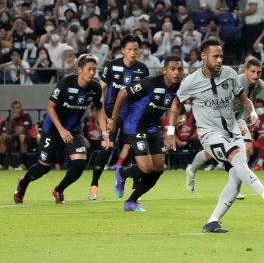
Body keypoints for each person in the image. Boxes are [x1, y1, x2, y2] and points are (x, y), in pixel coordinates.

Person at [165, 40, 264, 233]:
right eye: (215, 56)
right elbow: (176, 104)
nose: (219, 60)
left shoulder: (230, 74)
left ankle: (212, 221)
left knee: (236, 178)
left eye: (221, 57)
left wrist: (251, 113)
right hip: (210, 134)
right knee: (238, 161)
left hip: (233, 129)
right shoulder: (191, 82)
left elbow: (244, 98)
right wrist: (170, 132)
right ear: (203, 57)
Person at [13, 54, 108, 204]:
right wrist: (61, 130)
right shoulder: (66, 83)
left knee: (79, 164)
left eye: (94, 70)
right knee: (44, 167)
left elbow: (100, 108)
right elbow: (50, 107)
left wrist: (104, 132)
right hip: (52, 127)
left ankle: (59, 190)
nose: (92, 73)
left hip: (73, 129)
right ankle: (23, 184)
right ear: (80, 70)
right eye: (89, 69)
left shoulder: (95, 88)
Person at [108, 55, 183, 212]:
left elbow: (175, 109)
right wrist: (114, 120)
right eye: (173, 69)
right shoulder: (150, 83)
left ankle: (131, 202)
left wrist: (170, 133)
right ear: (164, 71)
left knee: (158, 169)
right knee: (146, 168)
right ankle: (122, 172)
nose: (176, 73)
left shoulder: (178, 87)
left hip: (153, 127)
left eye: (179, 69)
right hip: (135, 126)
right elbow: (122, 93)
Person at [185, 57, 264, 195]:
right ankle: (191, 169)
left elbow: (250, 99)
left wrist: (250, 116)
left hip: (237, 118)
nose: (256, 76)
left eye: (259, 72)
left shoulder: (260, 85)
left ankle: (235, 184)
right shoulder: (234, 82)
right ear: (245, 71)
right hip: (218, 118)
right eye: (253, 72)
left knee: (247, 149)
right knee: (211, 153)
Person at [89, 35, 149, 201]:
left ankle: (135, 187)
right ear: (123, 50)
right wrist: (102, 112)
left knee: (134, 150)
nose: (132, 52)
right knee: (106, 148)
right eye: (129, 49)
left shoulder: (142, 69)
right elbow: (101, 88)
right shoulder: (112, 66)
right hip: (111, 114)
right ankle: (94, 186)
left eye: (135, 49)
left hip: (132, 116)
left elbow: (144, 93)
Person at [0, 101, 35, 170]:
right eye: (14, 108)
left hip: (28, 140)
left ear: (21, 109)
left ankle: (23, 165)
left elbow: (24, 131)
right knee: (2, 137)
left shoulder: (26, 116)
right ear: (11, 110)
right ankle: (1, 164)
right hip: (14, 141)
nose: (16, 110)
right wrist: (11, 120)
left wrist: (11, 136)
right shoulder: (9, 118)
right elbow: (6, 132)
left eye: (18, 108)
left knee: (22, 136)